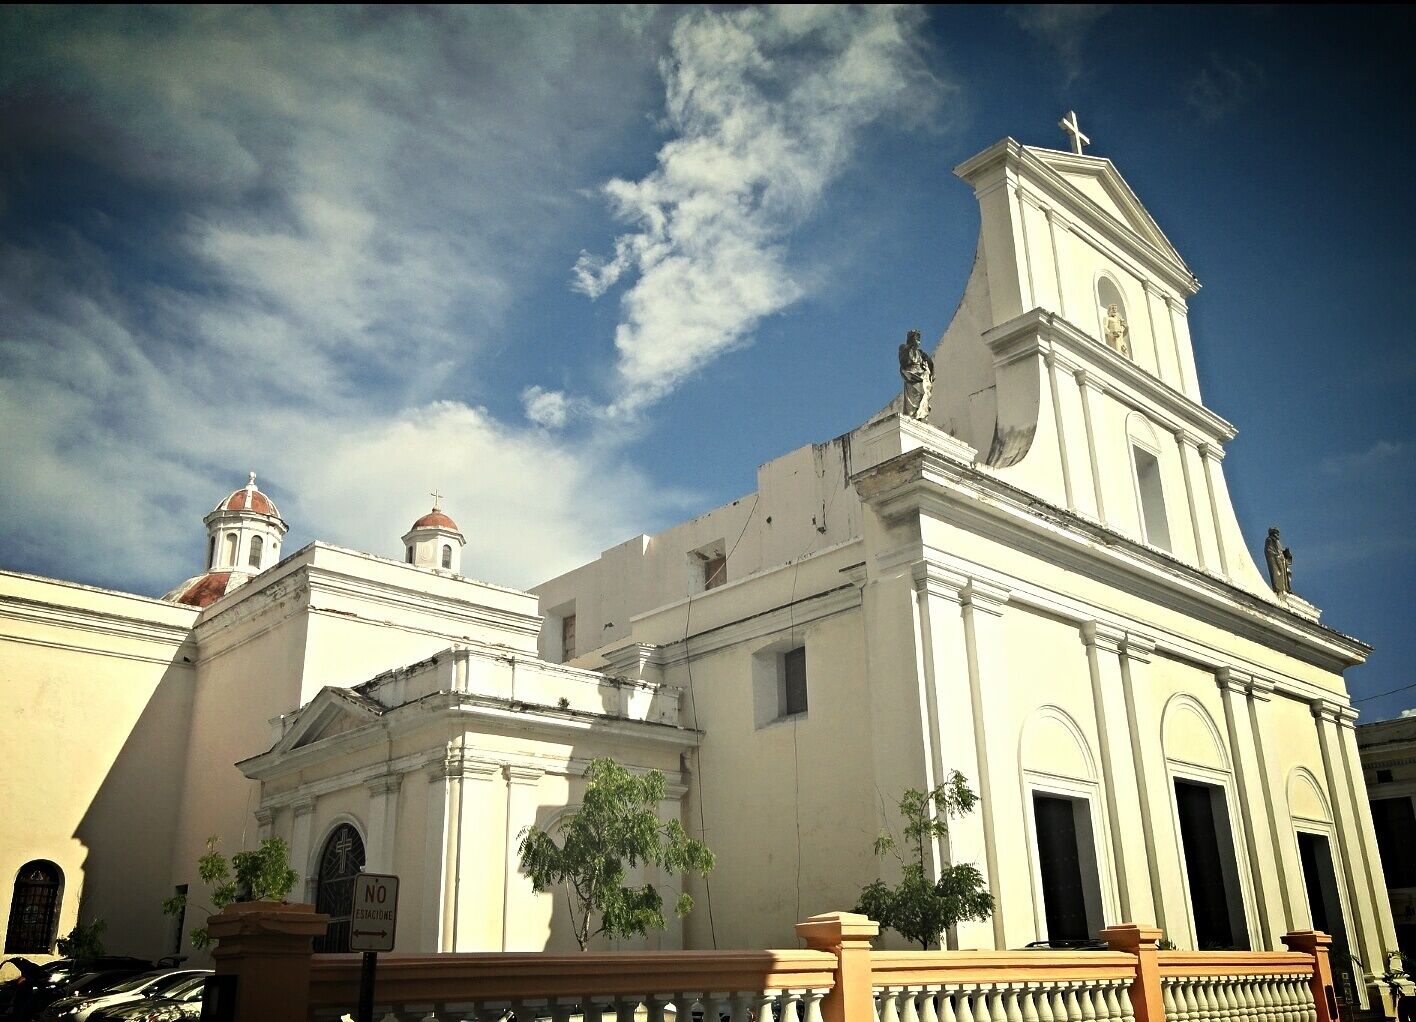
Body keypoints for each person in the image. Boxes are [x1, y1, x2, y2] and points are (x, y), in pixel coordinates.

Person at [899, 328, 935, 420]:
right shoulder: (904, 348)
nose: (918, 340)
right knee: (912, 399)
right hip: (912, 377)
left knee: (923, 395)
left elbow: (929, 364)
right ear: (911, 339)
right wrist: (910, 348)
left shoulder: (921, 353)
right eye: (916, 338)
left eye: (919, 338)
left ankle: (921, 415)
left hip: (922, 377)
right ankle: (912, 415)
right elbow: (904, 362)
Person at [1264, 526, 1293, 595]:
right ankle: (1279, 589)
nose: (1278, 534)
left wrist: (1285, 553)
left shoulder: (1278, 542)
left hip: (1282, 561)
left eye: (1278, 533)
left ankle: (1285, 589)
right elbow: (1269, 551)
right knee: (1277, 574)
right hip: (1276, 561)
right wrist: (1277, 556)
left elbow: (1280, 551)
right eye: (1276, 532)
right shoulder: (1269, 540)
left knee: (1285, 576)